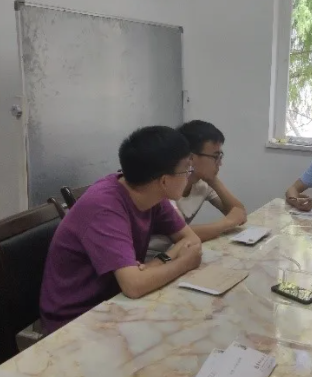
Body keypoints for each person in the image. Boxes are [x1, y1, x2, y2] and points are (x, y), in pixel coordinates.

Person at [39, 126, 202, 333]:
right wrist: (184, 262)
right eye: (186, 170)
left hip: (115, 303)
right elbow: (134, 286)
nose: (189, 176)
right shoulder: (104, 207)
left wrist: (156, 264)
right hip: (74, 323)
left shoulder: (152, 194)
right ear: (164, 180)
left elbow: (191, 240)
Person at [172, 120, 247, 240]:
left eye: (220, 156)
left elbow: (239, 213)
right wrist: (227, 223)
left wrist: (213, 180)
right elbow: (178, 234)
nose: (220, 163)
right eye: (215, 157)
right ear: (191, 158)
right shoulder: (167, 184)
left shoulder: (203, 183)